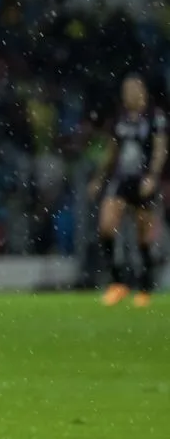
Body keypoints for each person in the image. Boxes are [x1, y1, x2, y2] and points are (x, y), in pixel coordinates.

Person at [88, 73, 167, 307]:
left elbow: (161, 148)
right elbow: (113, 150)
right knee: (106, 226)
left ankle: (144, 286)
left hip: (143, 179)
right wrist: (99, 178)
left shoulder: (154, 117)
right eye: (126, 90)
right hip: (121, 178)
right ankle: (117, 282)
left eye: (133, 89)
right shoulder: (120, 117)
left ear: (141, 91)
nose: (129, 94)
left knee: (143, 236)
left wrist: (152, 176)